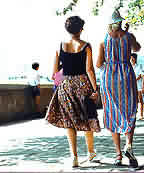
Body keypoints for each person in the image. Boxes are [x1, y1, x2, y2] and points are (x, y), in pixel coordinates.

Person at [45, 16, 100, 167]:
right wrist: (95, 89)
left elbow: (54, 73)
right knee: (87, 118)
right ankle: (90, 152)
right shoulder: (86, 46)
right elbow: (89, 69)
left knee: (69, 121)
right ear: (81, 29)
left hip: (65, 86)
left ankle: (74, 157)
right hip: (83, 85)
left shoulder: (60, 46)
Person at [96, 10, 141, 168]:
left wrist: (110, 66)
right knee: (130, 111)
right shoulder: (128, 37)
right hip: (127, 76)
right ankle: (128, 144)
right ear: (121, 22)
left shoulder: (104, 41)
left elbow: (98, 64)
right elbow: (137, 48)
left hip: (110, 78)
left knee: (113, 112)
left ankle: (118, 155)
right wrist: (128, 33)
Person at [130, 53, 144, 120]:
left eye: (133, 58)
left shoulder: (139, 66)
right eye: (131, 58)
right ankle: (134, 115)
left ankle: (141, 115)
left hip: (138, 86)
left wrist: (142, 86)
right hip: (131, 86)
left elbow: (141, 75)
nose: (132, 59)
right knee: (134, 101)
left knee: (140, 100)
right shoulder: (129, 66)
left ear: (136, 58)